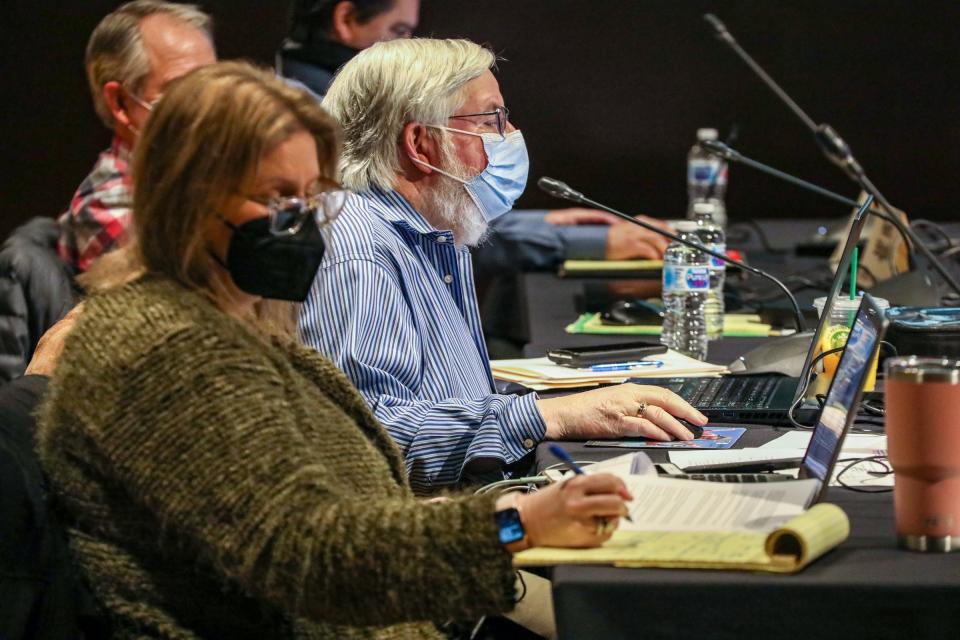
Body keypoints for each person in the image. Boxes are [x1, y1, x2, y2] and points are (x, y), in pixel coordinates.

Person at [36, 61, 633, 639]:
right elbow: (310, 558)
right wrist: (516, 526)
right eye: (276, 199)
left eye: (309, 196)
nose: (303, 222)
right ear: (185, 196)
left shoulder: (237, 312)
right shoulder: (169, 347)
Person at [301, 38, 708, 492]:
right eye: (492, 119)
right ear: (420, 143)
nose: (511, 133)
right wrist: (545, 415)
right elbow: (370, 436)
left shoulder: (437, 229)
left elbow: (446, 400)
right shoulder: (359, 250)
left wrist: (569, 405)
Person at [276, 0, 670, 273]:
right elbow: (419, 213)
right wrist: (571, 241)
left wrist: (548, 225)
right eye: (398, 32)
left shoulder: (445, 238)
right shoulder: (302, 121)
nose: (406, 49)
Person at [57, 0, 216, 273]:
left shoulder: (199, 174)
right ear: (120, 103)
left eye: (212, 83)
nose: (207, 103)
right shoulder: (105, 206)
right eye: (182, 88)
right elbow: (194, 300)